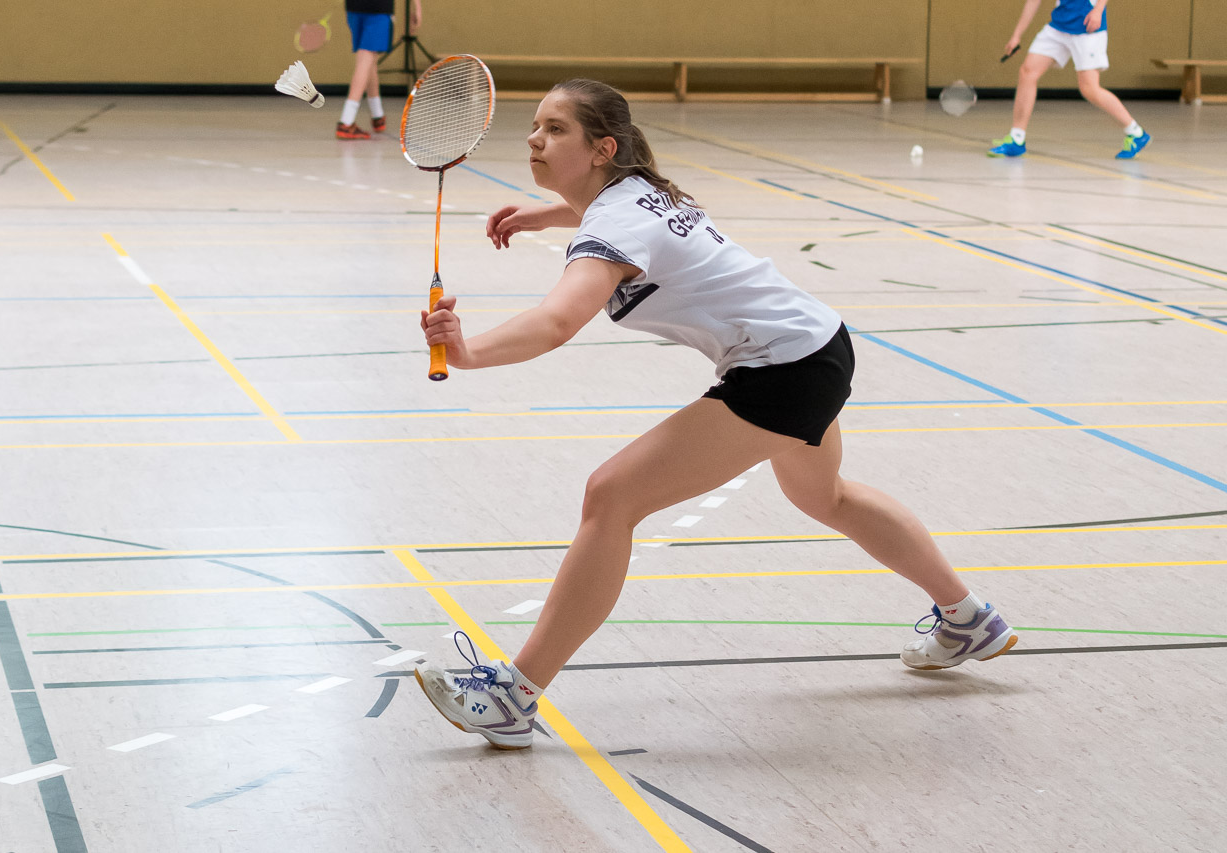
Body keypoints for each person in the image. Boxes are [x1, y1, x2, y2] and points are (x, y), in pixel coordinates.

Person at [414, 79, 1018, 750]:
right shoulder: (639, 189)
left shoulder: (614, 223)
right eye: (536, 125)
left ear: (602, 149)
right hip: (819, 342)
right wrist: (546, 214)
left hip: (782, 370)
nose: (534, 138)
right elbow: (610, 211)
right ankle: (968, 619)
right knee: (826, 496)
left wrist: (468, 351)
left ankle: (512, 697)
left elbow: (557, 321)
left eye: (555, 129)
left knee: (611, 495)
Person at [989, 0, 1149, 159]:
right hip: (1058, 27)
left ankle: (1136, 133)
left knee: (1090, 89)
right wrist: (1016, 35)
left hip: (1087, 28)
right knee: (1027, 71)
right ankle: (1017, 138)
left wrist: (1098, 10)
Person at [337, 0, 422, 140]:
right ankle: (346, 121)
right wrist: (417, 7)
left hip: (353, 8)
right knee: (366, 58)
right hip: (378, 8)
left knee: (369, 59)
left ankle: (377, 116)